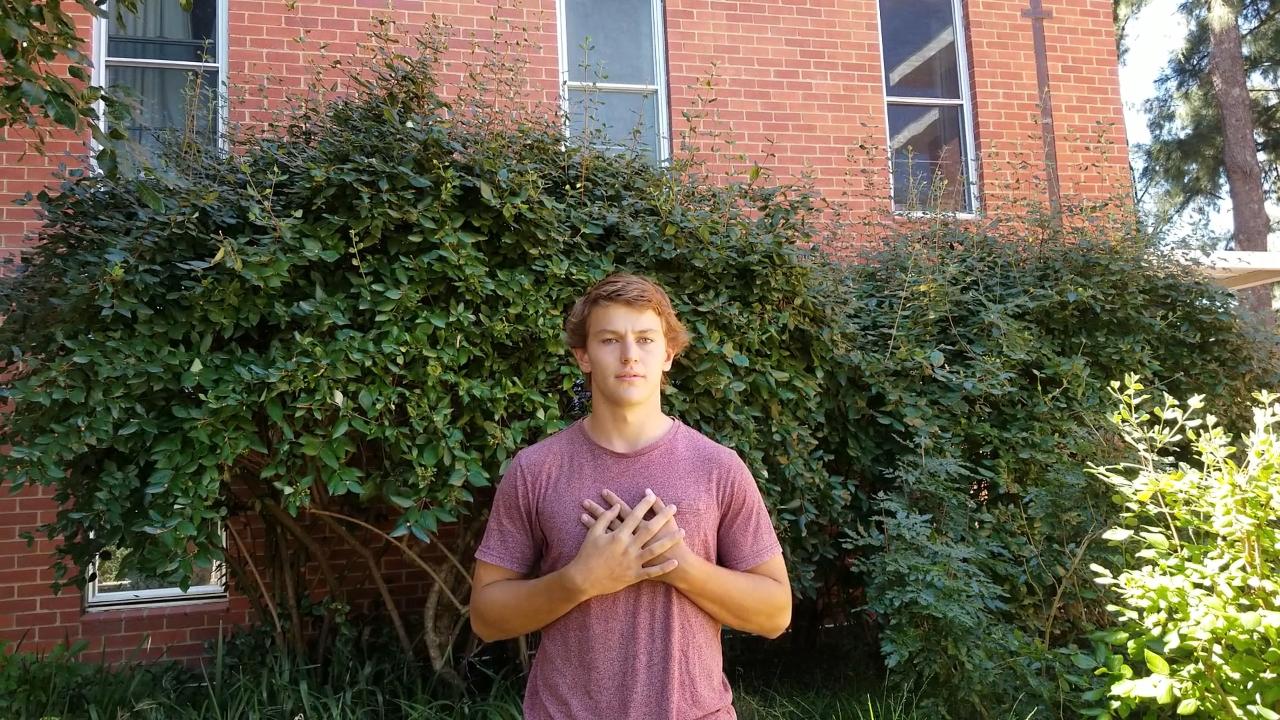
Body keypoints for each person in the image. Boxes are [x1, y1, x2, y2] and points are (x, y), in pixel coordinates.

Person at [470, 273, 791, 720]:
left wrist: (680, 565)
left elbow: (775, 613)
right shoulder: (536, 469)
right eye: (609, 340)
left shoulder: (718, 467)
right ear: (583, 356)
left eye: (645, 339)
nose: (629, 355)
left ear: (668, 355)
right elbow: (486, 617)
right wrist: (580, 580)